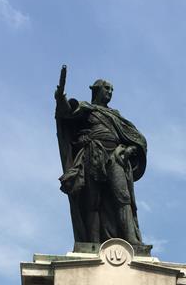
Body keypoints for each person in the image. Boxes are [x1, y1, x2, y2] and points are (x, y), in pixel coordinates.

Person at [55, 76, 147, 246]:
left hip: (116, 157)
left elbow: (137, 139)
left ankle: (131, 239)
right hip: (93, 155)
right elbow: (67, 112)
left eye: (112, 90)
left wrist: (129, 150)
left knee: (122, 196)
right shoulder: (86, 109)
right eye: (107, 88)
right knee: (92, 201)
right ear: (96, 90)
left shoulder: (115, 115)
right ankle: (93, 243)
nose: (110, 93)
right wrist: (60, 97)